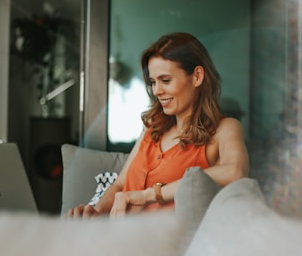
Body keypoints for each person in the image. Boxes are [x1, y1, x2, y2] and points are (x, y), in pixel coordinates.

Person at [67, 32, 249, 219]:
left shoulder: (224, 129)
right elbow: (120, 185)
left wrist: (150, 195)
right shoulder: (153, 126)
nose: (157, 91)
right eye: (153, 82)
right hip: (117, 236)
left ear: (197, 76)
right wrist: (95, 212)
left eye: (166, 80)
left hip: (161, 241)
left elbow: (235, 171)